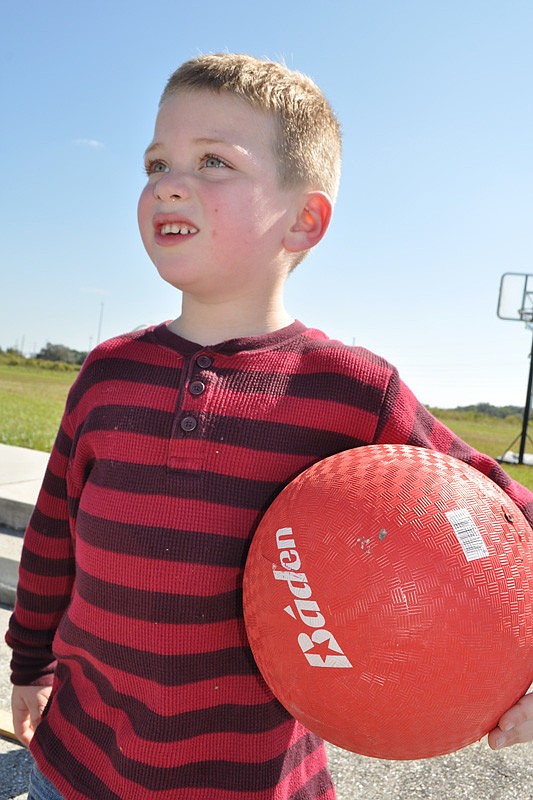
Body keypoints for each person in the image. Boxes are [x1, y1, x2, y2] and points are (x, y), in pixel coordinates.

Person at [6, 52, 533, 800]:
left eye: (212, 161)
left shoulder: (352, 390)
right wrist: (29, 662)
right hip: (80, 766)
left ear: (303, 221)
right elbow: (53, 535)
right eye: (156, 163)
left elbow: (505, 514)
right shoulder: (107, 373)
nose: (168, 183)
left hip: (256, 782)